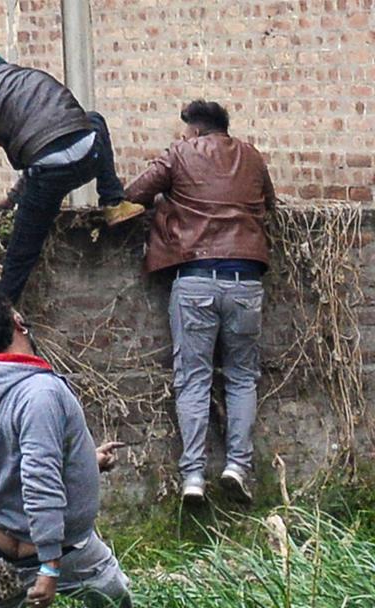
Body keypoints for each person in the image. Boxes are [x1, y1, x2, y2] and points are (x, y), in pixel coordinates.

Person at [0, 49, 144, 382]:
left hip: (50, 172)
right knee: (95, 120)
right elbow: (53, 137)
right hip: (90, 154)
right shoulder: (30, 77)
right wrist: (12, 198)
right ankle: (113, 201)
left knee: (18, 261)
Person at [0, 291, 132, 608]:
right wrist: (50, 566)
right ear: (18, 323)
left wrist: (84, 461)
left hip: (3, 544)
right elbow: (39, 481)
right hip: (60, 549)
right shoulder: (40, 394)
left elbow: (23, 458)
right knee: (114, 602)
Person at [125, 100, 276, 504]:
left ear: (193, 131)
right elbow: (269, 206)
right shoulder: (252, 157)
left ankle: (193, 477)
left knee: (193, 378)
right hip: (246, 278)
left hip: (194, 279)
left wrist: (166, 205)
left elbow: (134, 194)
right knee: (242, 377)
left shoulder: (179, 154)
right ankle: (236, 467)